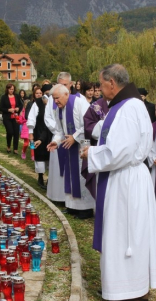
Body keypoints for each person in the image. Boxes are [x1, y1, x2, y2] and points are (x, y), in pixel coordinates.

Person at [80, 63, 156, 301]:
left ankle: (127, 291)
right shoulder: (128, 105)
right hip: (126, 178)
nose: (99, 89)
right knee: (129, 234)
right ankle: (131, 287)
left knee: (125, 235)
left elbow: (120, 151)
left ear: (111, 83)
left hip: (125, 180)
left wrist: (92, 153)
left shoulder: (128, 108)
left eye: (100, 84)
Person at [46, 84, 95, 219]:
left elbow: (88, 124)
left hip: (82, 145)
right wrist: (56, 141)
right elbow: (59, 130)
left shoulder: (80, 103)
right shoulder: (59, 109)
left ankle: (85, 208)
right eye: (54, 99)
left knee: (80, 175)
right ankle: (73, 206)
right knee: (70, 176)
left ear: (66, 94)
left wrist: (74, 137)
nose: (55, 102)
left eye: (57, 98)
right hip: (68, 147)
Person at [44, 72, 75, 205]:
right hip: (58, 137)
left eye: (65, 85)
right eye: (60, 84)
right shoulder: (53, 98)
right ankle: (57, 196)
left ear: (70, 85)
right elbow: (48, 117)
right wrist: (58, 132)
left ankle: (71, 198)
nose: (63, 87)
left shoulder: (76, 100)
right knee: (58, 170)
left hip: (72, 139)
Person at [82, 90, 110, 199]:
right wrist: (105, 124)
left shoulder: (124, 105)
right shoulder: (96, 106)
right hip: (99, 148)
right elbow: (88, 125)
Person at [27, 84, 53, 189]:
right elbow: (31, 118)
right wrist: (30, 132)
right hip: (39, 132)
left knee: (51, 156)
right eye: (45, 92)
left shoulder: (54, 103)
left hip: (51, 133)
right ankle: (40, 177)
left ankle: (51, 179)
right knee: (40, 156)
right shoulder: (37, 103)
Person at [0, 83, 23, 154]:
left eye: (12, 89)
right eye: (10, 89)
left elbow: (21, 105)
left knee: (16, 133)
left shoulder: (17, 96)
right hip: (7, 117)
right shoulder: (4, 97)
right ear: (7, 89)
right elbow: (1, 108)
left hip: (16, 117)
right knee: (10, 132)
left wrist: (18, 108)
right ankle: (8, 146)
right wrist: (8, 110)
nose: (11, 90)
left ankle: (15, 149)